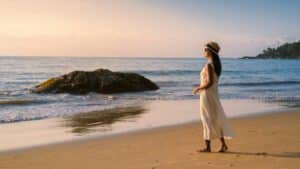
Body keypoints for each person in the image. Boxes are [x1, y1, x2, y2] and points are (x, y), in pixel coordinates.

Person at [193, 41, 235, 153]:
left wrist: (198, 88)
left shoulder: (209, 65)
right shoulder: (216, 65)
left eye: (205, 50)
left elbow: (210, 82)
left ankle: (208, 147)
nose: (204, 52)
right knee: (214, 119)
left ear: (210, 51)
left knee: (206, 119)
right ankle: (223, 145)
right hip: (213, 94)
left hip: (207, 94)